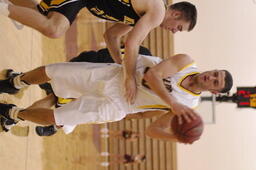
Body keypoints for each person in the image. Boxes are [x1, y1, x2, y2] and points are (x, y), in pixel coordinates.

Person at [0, 0, 197, 104]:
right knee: (54, 28)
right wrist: (128, 76)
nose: (174, 31)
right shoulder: (157, 11)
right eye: (179, 27)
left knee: (40, 16)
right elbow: (132, 44)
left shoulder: (144, 14)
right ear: (176, 14)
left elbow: (111, 36)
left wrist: (120, 65)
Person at [0, 53, 233, 140]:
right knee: (52, 71)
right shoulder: (185, 62)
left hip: (119, 105)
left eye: (215, 81)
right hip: (117, 75)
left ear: (213, 91)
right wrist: (173, 103)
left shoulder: (189, 107)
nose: (210, 77)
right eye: (215, 73)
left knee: (57, 118)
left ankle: (12, 113)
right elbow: (153, 76)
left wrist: (179, 137)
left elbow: (152, 130)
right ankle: (14, 83)